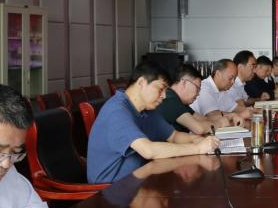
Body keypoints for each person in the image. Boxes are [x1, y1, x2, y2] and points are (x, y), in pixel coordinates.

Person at [86, 61, 219, 184]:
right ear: (141, 83)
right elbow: (148, 150)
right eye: (161, 89)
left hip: (140, 178)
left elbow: (174, 136)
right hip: (111, 190)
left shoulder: (147, 109)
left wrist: (198, 140)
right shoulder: (117, 110)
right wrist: (198, 148)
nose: (164, 96)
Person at [155, 64, 227, 135]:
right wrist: (220, 123)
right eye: (197, 88)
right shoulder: (170, 98)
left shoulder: (181, 102)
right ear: (184, 82)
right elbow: (199, 129)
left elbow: (202, 119)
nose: (198, 94)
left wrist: (226, 118)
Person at [193, 59, 253, 124]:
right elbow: (212, 115)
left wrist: (253, 111)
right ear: (218, 74)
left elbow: (235, 108)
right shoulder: (204, 87)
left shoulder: (222, 89)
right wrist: (239, 115)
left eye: (235, 78)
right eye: (230, 78)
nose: (233, 82)